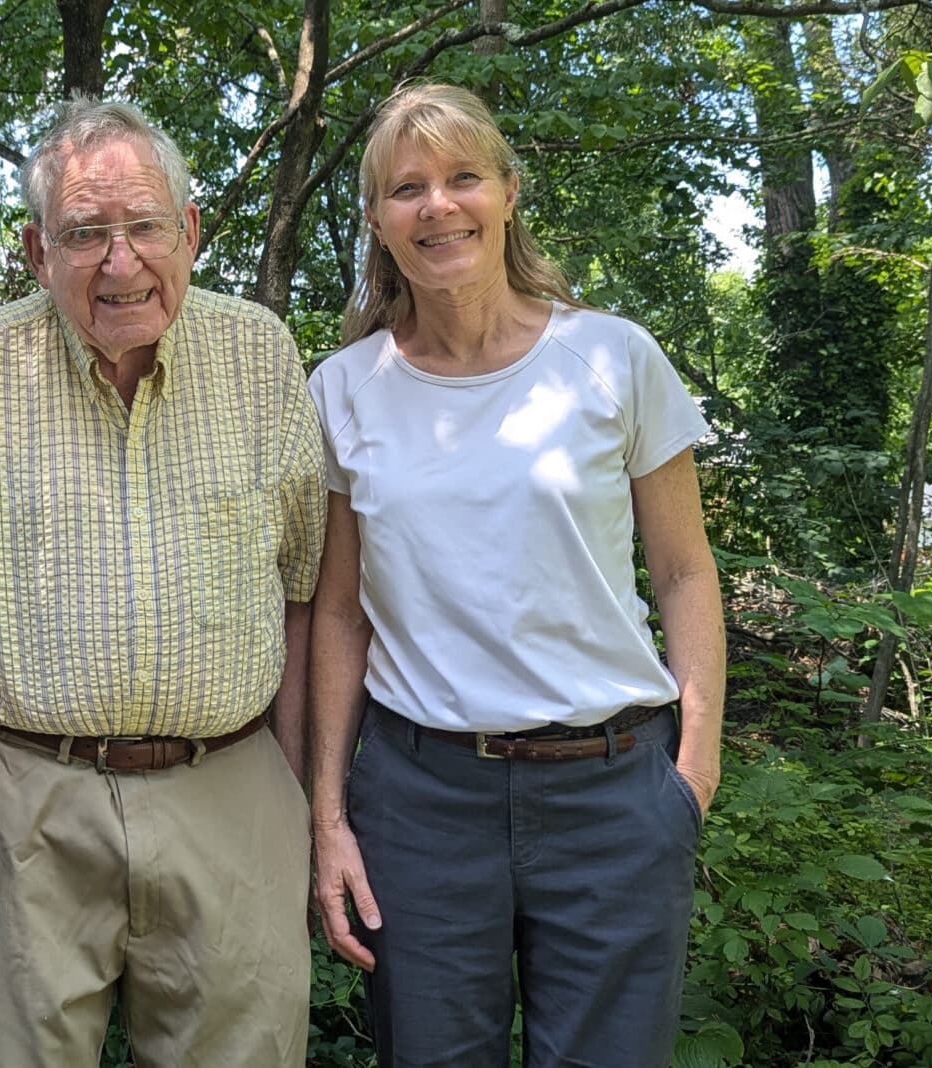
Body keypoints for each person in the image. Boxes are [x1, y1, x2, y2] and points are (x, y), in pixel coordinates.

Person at [0, 97, 326, 1065]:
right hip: (26, 798)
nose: (120, 262)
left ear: (189, 232)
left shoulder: (260, 357)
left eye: (144, 226)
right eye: (84, 234)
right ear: (38, 253)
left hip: (231, 790)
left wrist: (300, 808)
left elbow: (300, 596)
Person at [305, 83, 727, 1068]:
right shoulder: (343, 389)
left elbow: (683, 573)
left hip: (614, 792)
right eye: (408, 188)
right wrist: (327, 816)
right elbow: (337, 614)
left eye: (462, 179)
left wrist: (693, 772)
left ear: (507, 192)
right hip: (421, 802)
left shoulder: (611, 359)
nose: (438, 207)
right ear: (376, 219)